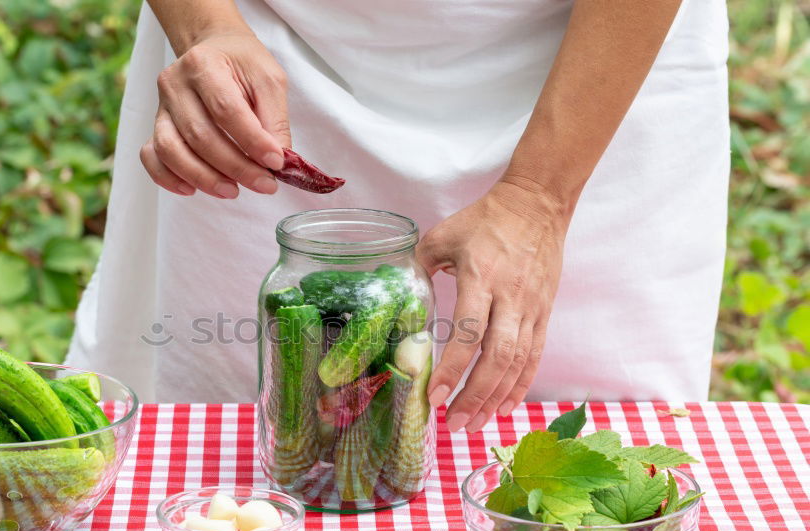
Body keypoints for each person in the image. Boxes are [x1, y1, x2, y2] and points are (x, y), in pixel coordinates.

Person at [67, 0, 729, 432]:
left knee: (603, 455)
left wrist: (539, 197)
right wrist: (205, 25)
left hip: (600, 59)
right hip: (257, 37)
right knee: (235, 429)